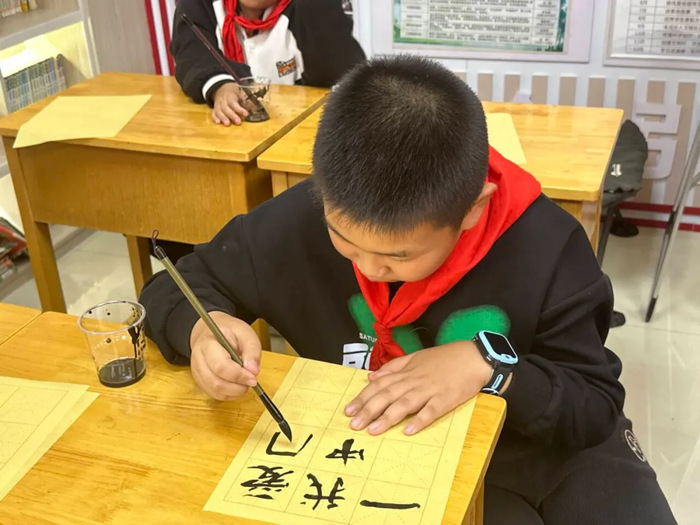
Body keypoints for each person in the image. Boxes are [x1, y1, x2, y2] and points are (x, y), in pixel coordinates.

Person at [140, 56, 676, 524]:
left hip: (542, 444)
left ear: (473, 209)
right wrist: (202, 331)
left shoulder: (547, 246)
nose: (370, 269)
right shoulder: (299, 221)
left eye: (398, 257)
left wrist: (489, 367)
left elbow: (592, 404)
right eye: (345, 241)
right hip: (400, 451)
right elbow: (177, 287)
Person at [171, 0, 365, 125]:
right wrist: (220, 86)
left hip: (300, 133)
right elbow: (191, 54)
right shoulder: (199, 5)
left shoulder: (311, 8)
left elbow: (341, 73)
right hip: (232, 133)